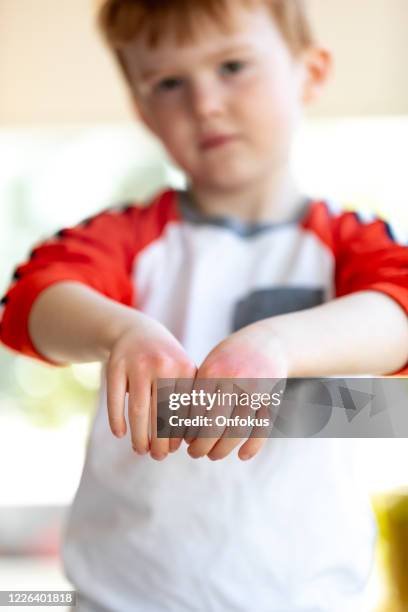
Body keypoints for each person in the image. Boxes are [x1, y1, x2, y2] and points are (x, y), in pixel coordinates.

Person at [1, 0, 408, 610]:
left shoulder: (354, 242)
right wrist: (121, 333)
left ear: (310, 73)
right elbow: (29, 302)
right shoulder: (127, 238)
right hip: (124, 599)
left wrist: (276, 347)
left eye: (233, 66)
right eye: (169, 82)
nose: (204, 103)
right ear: (142, 111)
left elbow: (398, 312)